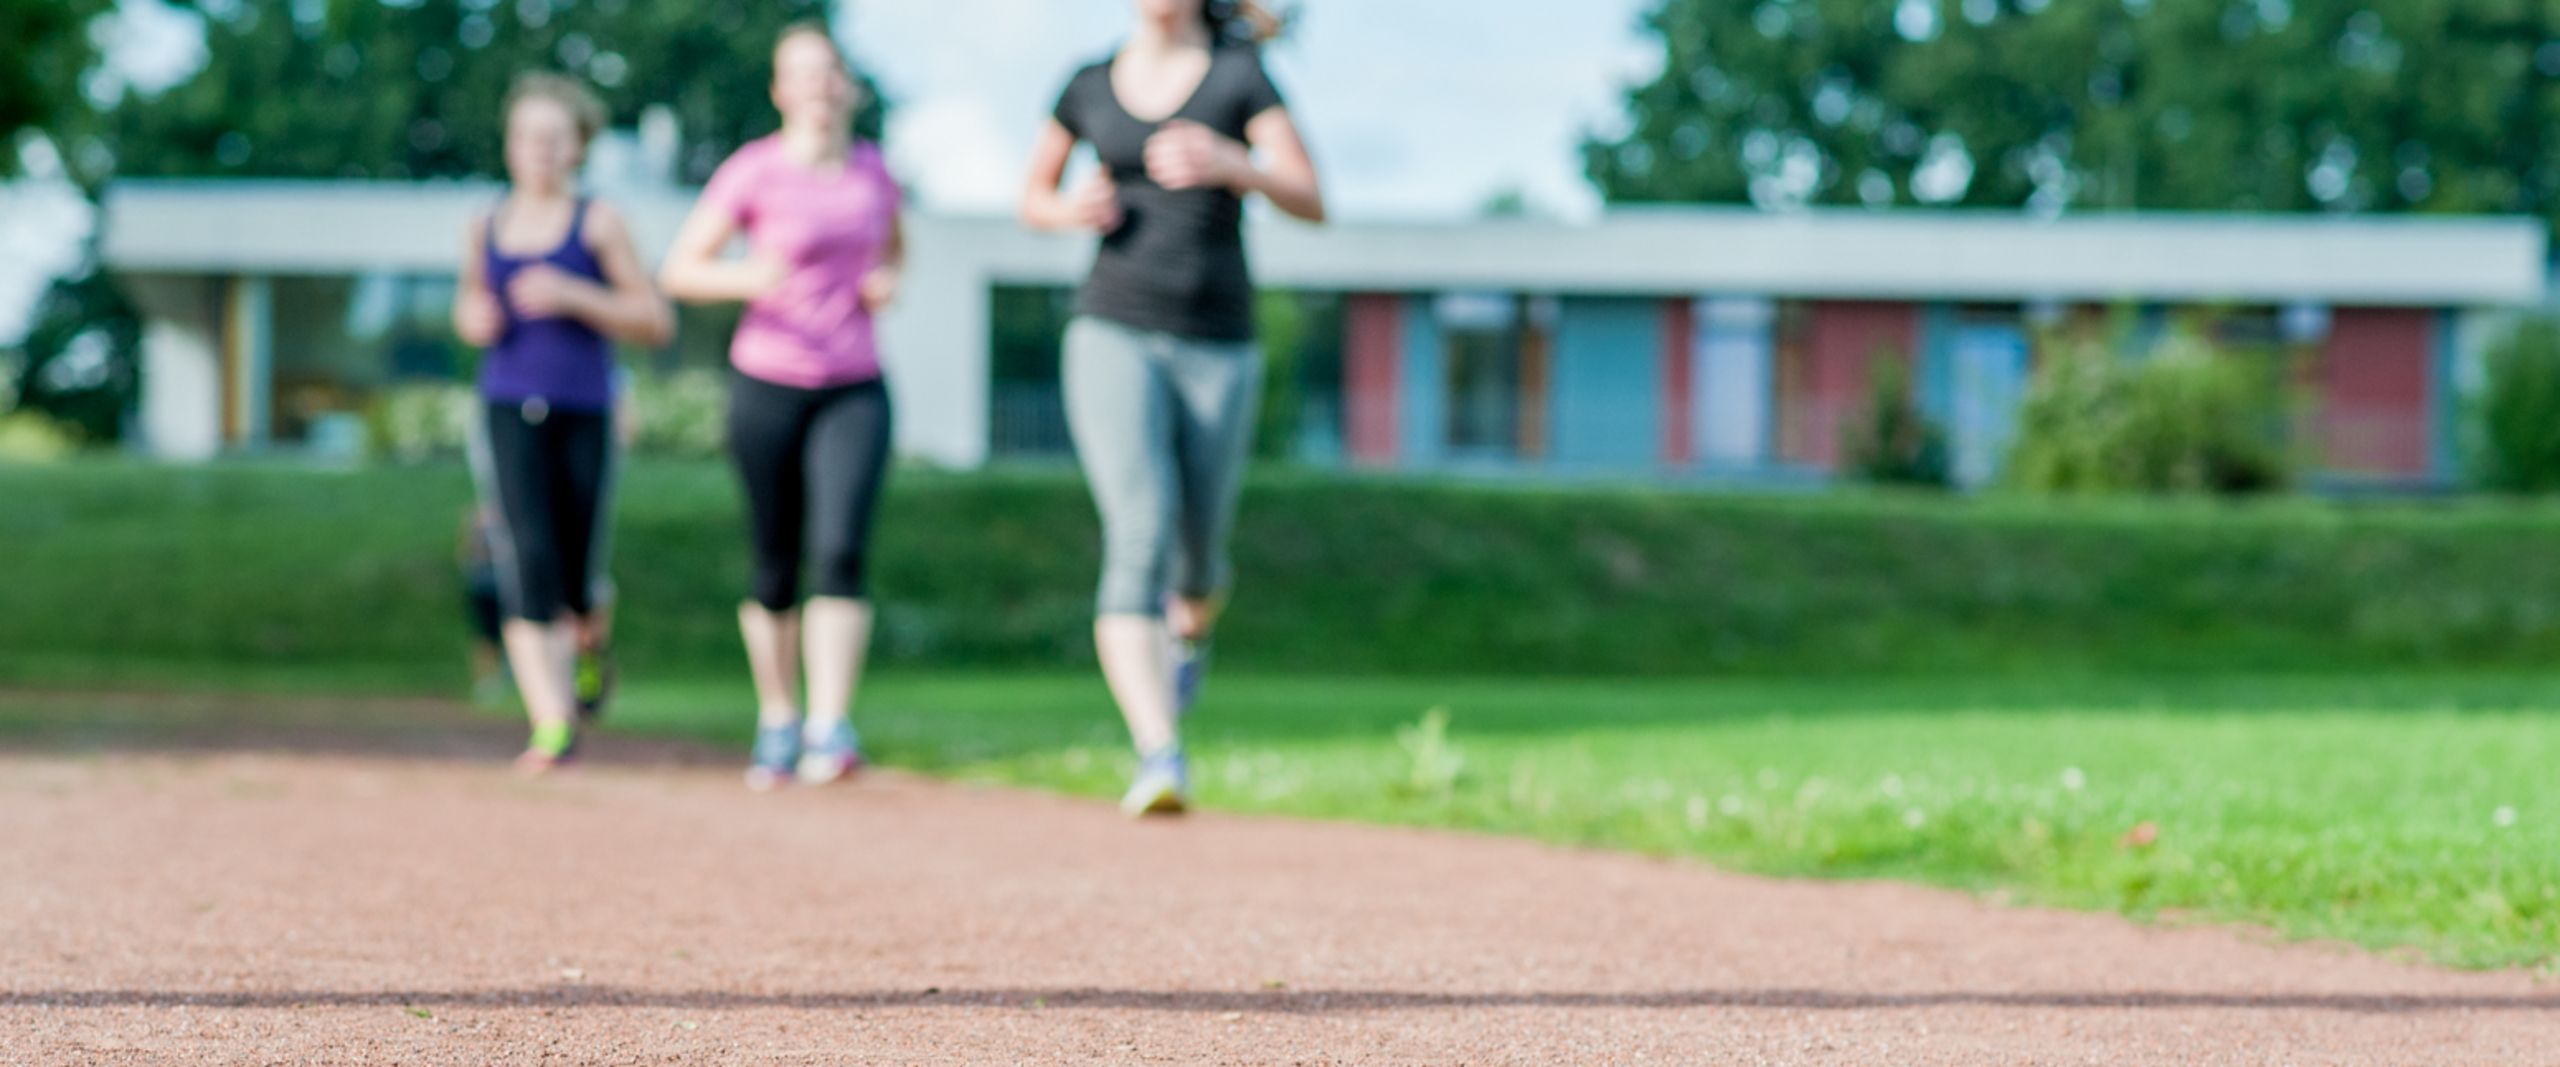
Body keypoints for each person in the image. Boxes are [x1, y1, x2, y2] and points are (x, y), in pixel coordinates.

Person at [1019, 0, 1325, 816]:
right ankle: (1160, 751)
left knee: (1197, 559)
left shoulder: (1239, 76)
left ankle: (1188, 636)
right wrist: (1070, 209)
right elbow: (1033, 196)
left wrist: (1235, 164)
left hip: (1219, 342)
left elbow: (1310, 195)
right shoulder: (1088, 83)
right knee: (1140, 529)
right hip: (1111, 325)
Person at [658, 21, 906, 792]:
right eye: (802, 73)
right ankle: (778, 716)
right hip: (767, 380)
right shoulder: (753, 171)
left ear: (847, 86)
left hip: (854, 383)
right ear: (780, 91)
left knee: (840, 549)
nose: (818, 85)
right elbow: (680, 269)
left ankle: (831, 724)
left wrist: (887, 280)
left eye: (829, 70)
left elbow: (895, 247)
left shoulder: (874, 171)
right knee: (775, 557)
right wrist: (747, 277)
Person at [454, 72, 674, 774]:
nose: (538, 151)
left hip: (584, 409)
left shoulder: (599, 222)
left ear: (578, 146)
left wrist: (573, 293)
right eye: (526, 137)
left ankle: (587, 645)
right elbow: (468, 306)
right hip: (505, 405)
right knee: (526, 554)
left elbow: (654, 319)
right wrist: (474, 318)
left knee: (577, 573)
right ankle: (551, 722)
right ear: (509, 144)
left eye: (553, 138)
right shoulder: (486, 225)